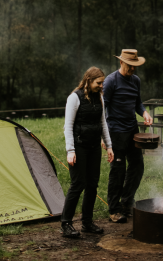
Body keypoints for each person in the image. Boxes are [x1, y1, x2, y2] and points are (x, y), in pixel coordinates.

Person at [61, 66, 115, 238]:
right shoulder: (74, 98)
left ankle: (87, 222)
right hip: (78, 147)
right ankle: (66, 223)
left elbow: (103, 124)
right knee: (78, 184)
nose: (101, 86)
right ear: (89, 81)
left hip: (93, 148)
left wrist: (109, 146)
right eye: (99, 83)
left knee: (92, 184)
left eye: (102, 83)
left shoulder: (99, 98)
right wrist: (70, 150)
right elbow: (68, 127)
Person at [102, 49, 153, 223]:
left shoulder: (135, 81)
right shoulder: (110, 81)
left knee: (137, 166)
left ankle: (126, 202)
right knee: (118, 170)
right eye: (130, 66)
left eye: (135, 66)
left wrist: (144, 112)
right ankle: (114, 210)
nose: (133, 69)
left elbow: (137, 102)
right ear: (121, 63)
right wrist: (104, 137)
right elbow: (102, 108)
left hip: (132, 129)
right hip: (115, 131)